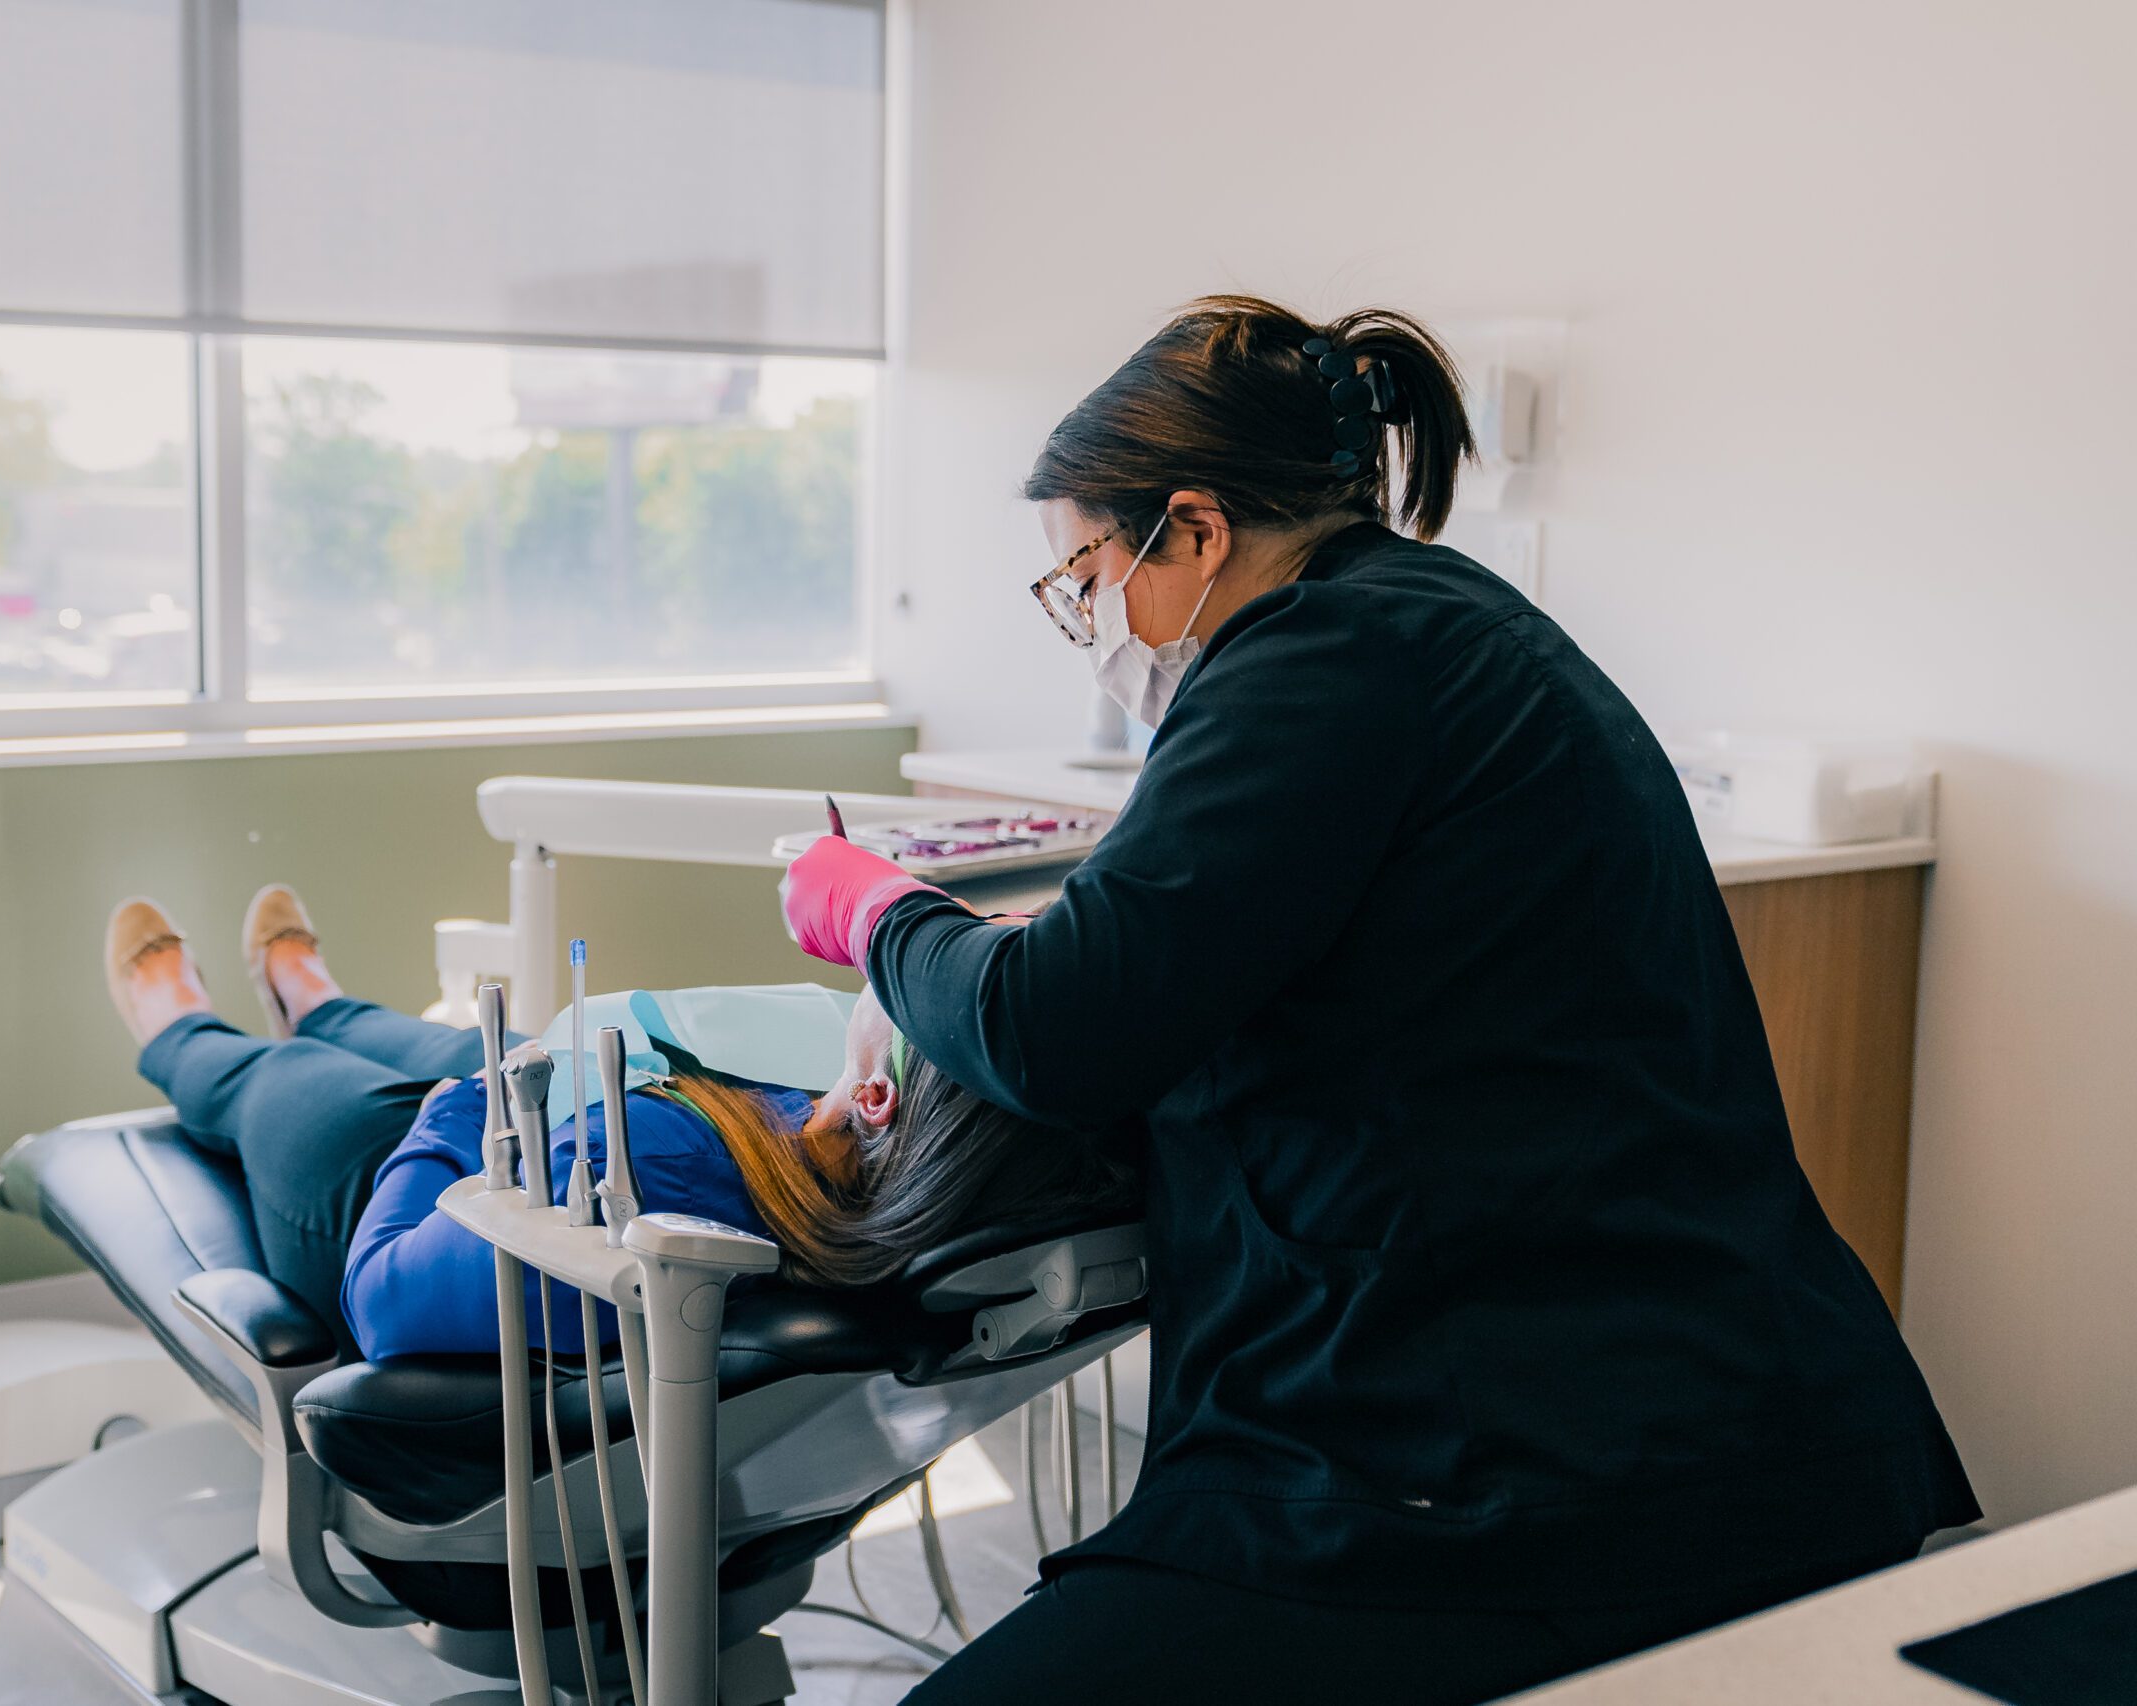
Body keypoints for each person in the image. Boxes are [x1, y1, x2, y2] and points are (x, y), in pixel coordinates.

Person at [782, 295, 1978, 1705]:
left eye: (1082, 575)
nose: (1086, 620)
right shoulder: (1435, 628)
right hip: (1682, 1408)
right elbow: (1255, 933)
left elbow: (1057, 1026)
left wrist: (875, 910)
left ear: (1194, 530)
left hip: (1539, 1460)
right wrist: (1025, 938)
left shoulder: (1318, 664)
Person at [101, 885, 1131, 1363]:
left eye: (937, 959)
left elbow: (383, 1298)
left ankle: (177, 1016)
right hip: (561, 1119)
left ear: (879, 1096)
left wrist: (453, 1116)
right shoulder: (887, 1156)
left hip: (394, 1185)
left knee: (286, 1075)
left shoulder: (661, 1191)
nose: (925, 940)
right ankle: (315, 990)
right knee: (420, 1038)